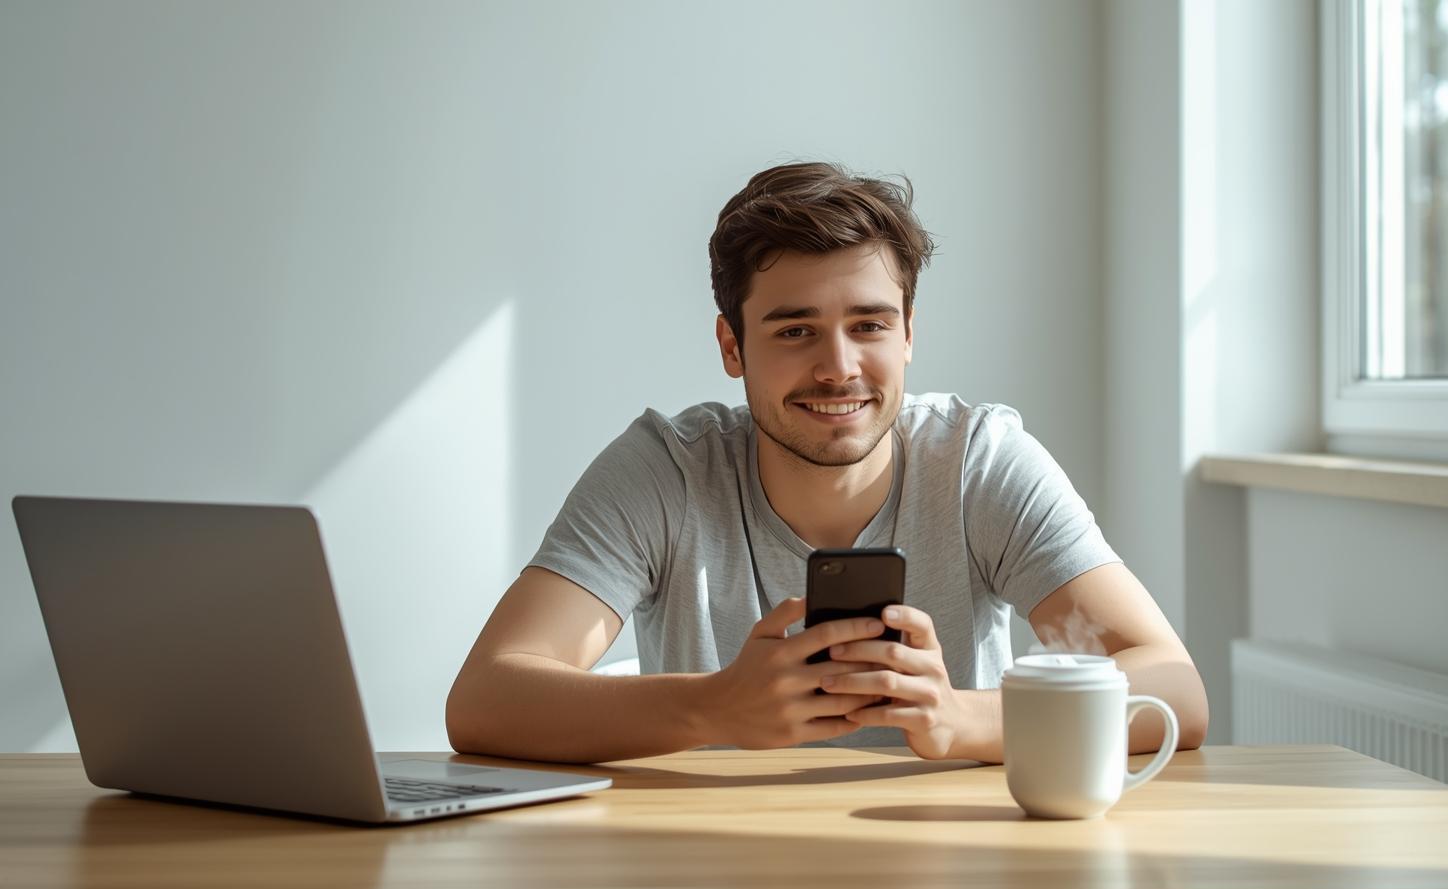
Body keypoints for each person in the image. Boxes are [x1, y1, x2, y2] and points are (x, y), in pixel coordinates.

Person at [446, 162, 1208, 764]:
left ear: (908, 334)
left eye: (869, 325)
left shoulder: (978, 465)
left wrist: (961, 717)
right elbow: (485, 698)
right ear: (731, 347)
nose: (839, 367)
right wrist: (714, 707)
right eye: (795, 331)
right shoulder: (665, 473)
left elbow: (1172, 688)